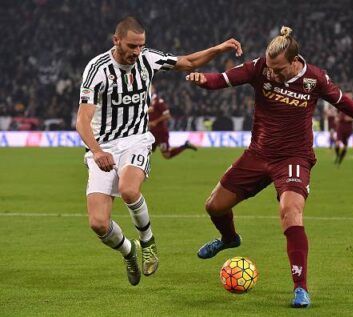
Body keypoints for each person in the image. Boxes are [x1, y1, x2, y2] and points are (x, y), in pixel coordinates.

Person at [186, 26, 353, 308]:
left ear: (295, 61)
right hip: (258, 154)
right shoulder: (260, 67)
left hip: (294, 158)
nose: (271, 73)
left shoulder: (315, 79)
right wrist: (203, 80)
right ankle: (229, 238)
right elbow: (222, 79)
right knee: (214, 206)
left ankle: (300, 288)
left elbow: (343, 102)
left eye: (278, 69)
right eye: (269, 67)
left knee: (290, 212)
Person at [76, 16, 242, 286]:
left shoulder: (147, 59)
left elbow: (187, 62)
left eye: (141, 46)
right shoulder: (97, 69)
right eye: (131, 46)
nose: (137, 52)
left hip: (136, 139)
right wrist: (96, 151)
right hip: (103, 146)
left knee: (130, 190)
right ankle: (129, 252)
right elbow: (82, 120)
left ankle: (148, 243)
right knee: (98, 224)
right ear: (116, 41)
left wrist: (218, 49)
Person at [148, 93, 197, 158]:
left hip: (160, 133)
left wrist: (155, 122)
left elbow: (167, 115)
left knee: (167, 155)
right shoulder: (147, 101)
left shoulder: (159, 101)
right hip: (151, 132)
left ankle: (185, 146)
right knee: (145, 152)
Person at [334, 92, 353, 166]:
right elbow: (337, 114)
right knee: (337, 143)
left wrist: (349, 118)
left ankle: (340, 160)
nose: (348, 97)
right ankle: (337, 156)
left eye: (350, 96)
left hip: (348, 128)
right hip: (340, 127)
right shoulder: (341, 104)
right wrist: (337, 118)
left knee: (345, 145)